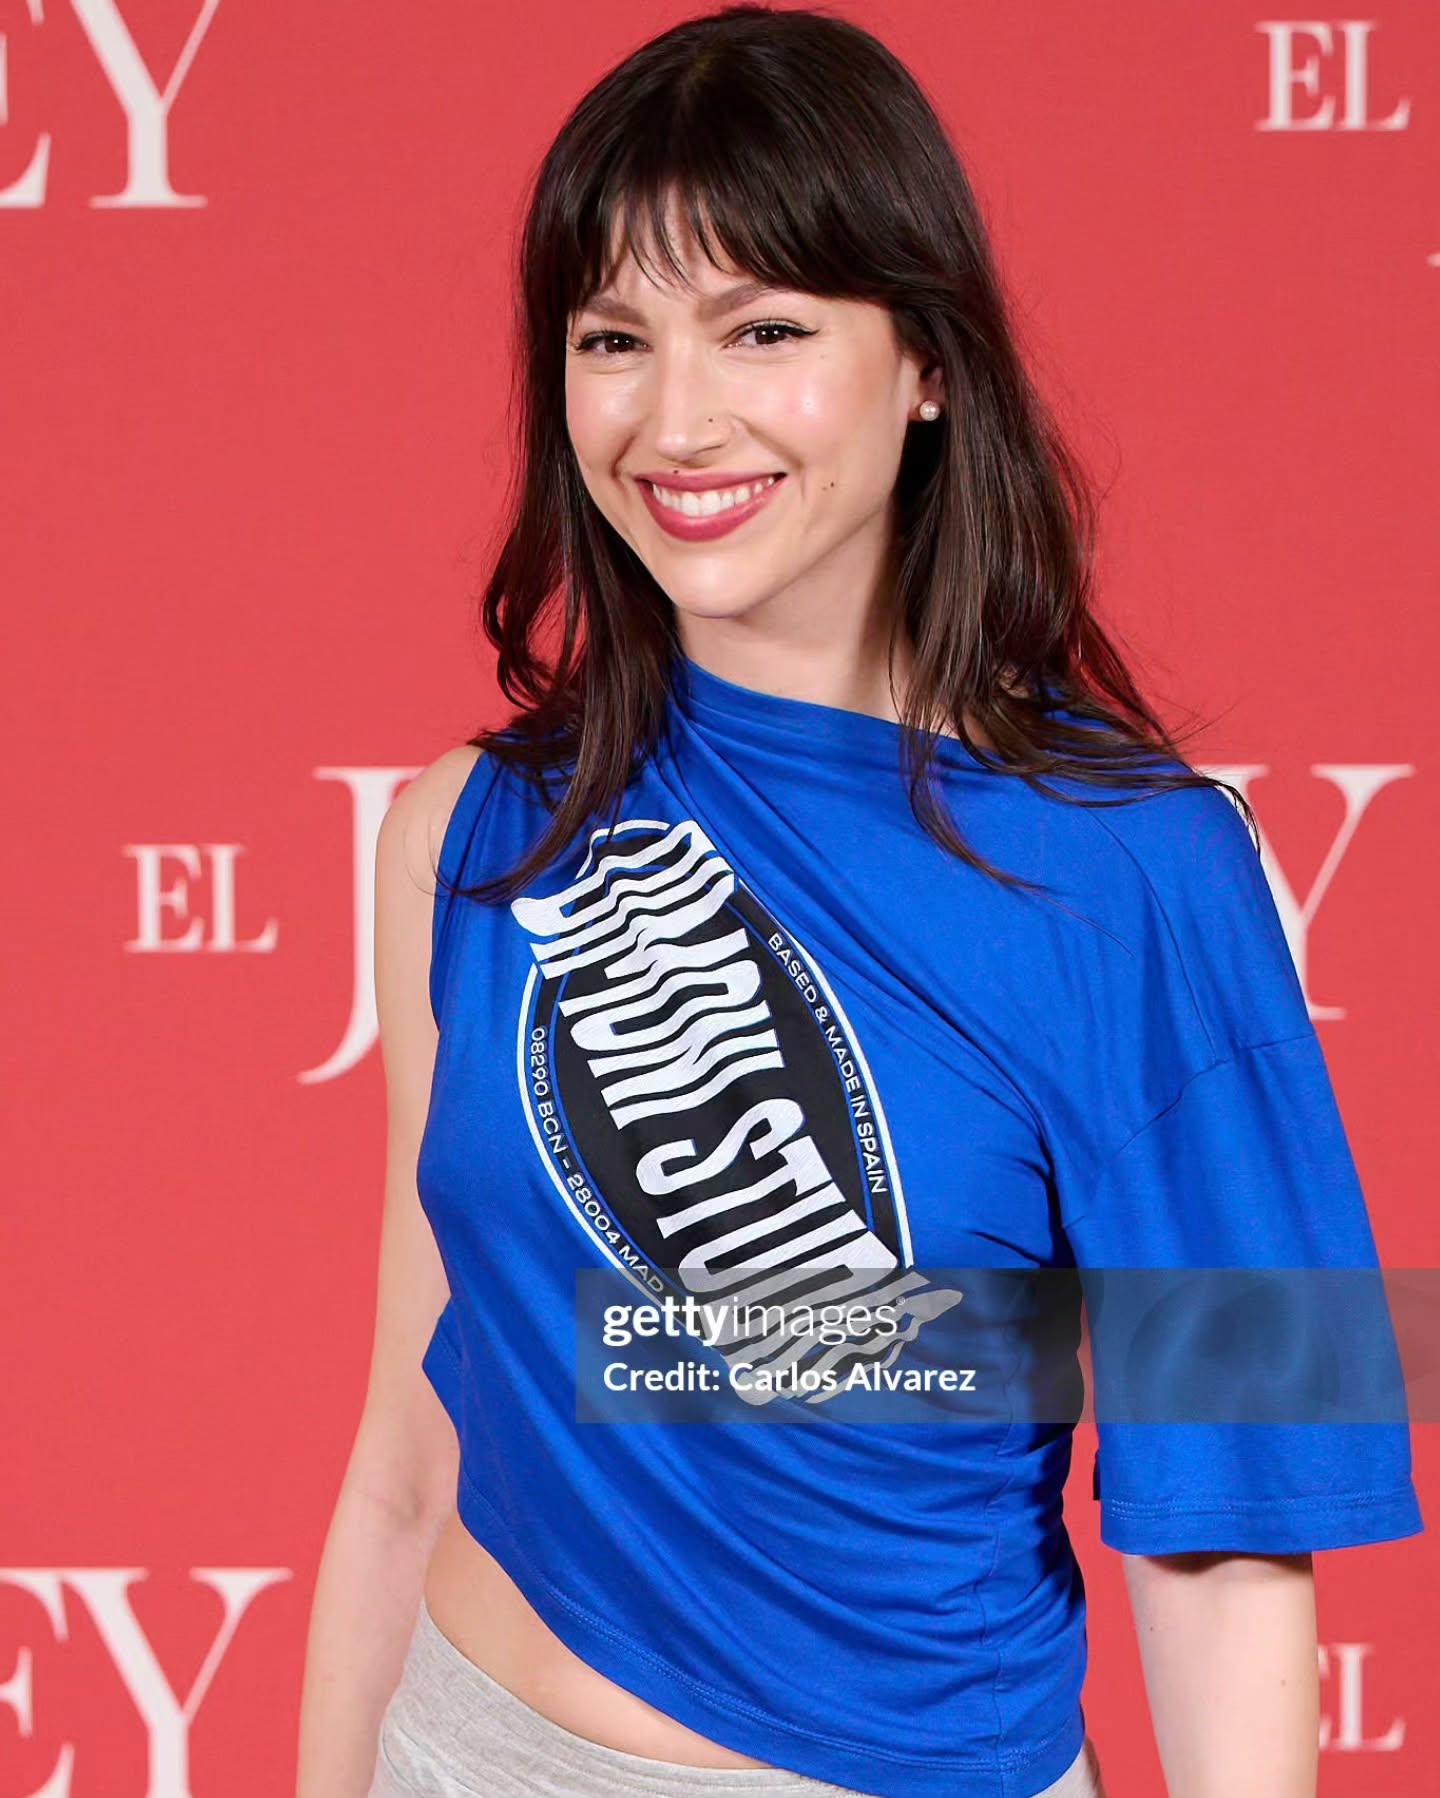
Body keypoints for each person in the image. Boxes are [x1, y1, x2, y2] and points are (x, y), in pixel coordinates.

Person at [295, 7, 1424, 1797]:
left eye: (765, 329)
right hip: (467, 1745)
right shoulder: (475, 831)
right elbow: (405, 1453)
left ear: (928, 364)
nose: (678, 418)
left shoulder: (1146, 871)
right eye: (614, 337)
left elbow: (1230, 1534)